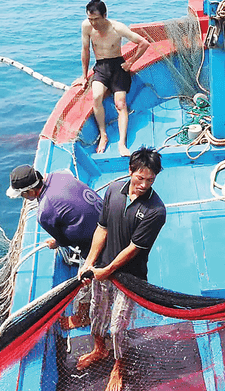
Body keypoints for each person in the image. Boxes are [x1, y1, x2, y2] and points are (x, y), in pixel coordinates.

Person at [75, 147, 166, 391]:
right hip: (102, 269)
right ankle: (99, 349)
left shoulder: (156, 211)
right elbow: (102, 229)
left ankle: (119, 366)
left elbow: (133, 249)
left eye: (150, 180)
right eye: (140, 178)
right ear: (130, 171)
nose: (144, 184)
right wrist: (90, 263)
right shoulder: (113, 191)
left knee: (117, 327)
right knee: (97, 314)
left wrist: (108, 271)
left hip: (130, 276)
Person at [7, 164, 104, 329]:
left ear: (30, 192)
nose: (23, 197)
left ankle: (82, 317)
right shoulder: (60, 174)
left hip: (98, 243)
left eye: (22, 195)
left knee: (84, 280)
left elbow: (65, 241)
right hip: (108, 220)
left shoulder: (45, 212)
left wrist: (56, 243)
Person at [79, 0, 150, 156]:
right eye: (90, 19)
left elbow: (144, 43)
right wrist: (84, 76)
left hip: (118, 67)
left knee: (120, 104)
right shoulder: (86, 26)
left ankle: (122, 143)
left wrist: (131, 62)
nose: (93, 23)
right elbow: (85, 50)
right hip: (101, 67)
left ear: (105, 15)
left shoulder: (117, 28)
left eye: (96, 19)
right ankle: (103, 135)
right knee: (96, 97)